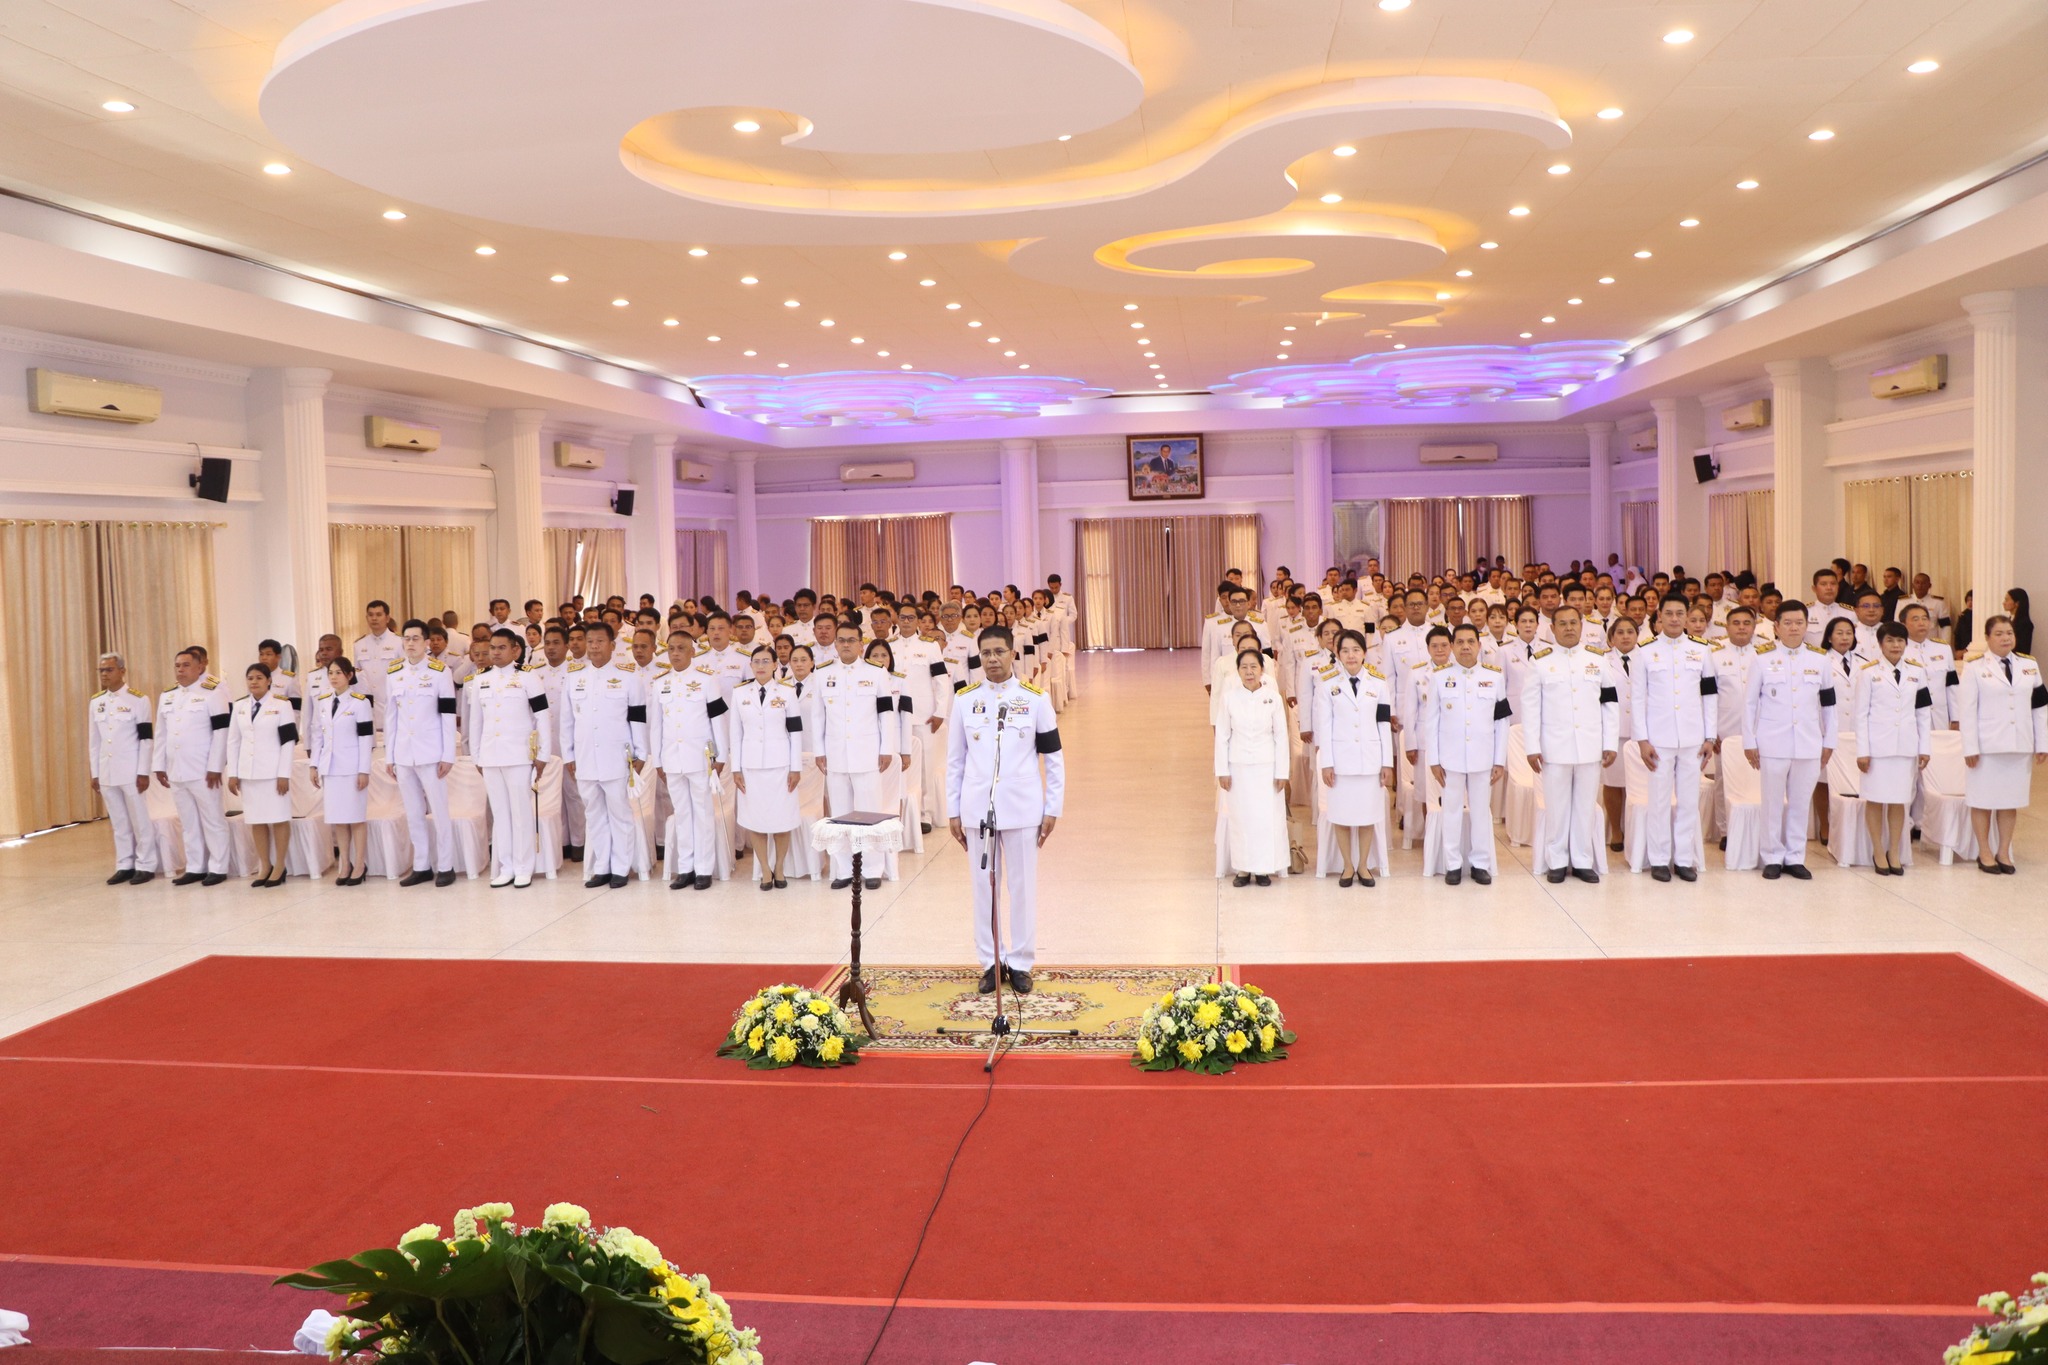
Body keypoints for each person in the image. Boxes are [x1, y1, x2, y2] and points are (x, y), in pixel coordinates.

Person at [947, 625, 1064, 995]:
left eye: (999, 652)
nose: (992, 659)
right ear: (978, 657)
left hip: (1023, 808)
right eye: (986, 654)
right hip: (977, 809)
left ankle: (1022, 961)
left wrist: (1052, 807)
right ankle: (989, 962)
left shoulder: (1035, 699)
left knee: (1022, 886)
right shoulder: (965, 700)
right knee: (984, 888)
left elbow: (1054, 758)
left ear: (1013, 654)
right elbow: (955, 762)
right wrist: (953, 810)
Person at [1521, 606, 1619, 884]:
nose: (1568, 628)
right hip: (1554, 747)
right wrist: (1532, 746)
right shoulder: (1540, 662)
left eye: (1573, 623)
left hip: (1590, 745)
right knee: (1557, 807)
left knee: (1585, 806)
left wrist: (1610, 742)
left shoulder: (1597, 660)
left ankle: (1582, 860)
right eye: (1562, 624)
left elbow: (1610, 703)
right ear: (1551, 629)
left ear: (1581, 625)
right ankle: (1557, 860)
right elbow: (1530, 707)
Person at [1741, 602, 1836, 881]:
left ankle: (1795, 857)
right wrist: (1750, 741)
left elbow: (1828, 704)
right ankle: (1772, 856)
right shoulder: (1761, 658)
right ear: (1776, 627)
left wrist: (1828, 740)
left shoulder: (1819, 660)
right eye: (1788, 623)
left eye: (1799, 623)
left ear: (1807, 626)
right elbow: (1749, 704)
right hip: (1772, 741)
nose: (1794, 628)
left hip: (1808, 742)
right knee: (1772, 801)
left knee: (1800, 801)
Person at [813, 624, 911, 889]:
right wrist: (819, 751)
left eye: (851, 640)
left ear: (860, 645)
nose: (846, 645)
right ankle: (844, 869)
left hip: (867, 753)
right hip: (835, 754)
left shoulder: (876, 673)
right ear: (835, 644)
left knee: (869, 813)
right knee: (841, 814)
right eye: (841, 640)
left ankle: (872, 869)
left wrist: (886, 748)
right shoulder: (822, 674)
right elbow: (817, 715)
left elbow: (886, 713)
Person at [1630, 597, 1717, 882]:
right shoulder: (1644, 651)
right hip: (1659, 738)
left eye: (1681, 613)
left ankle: (1683, 859)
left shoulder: (1701, 651)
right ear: (1659, 617)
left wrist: (1710, 736)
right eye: (1669, 613)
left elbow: (1710, 695)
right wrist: (1642, 739)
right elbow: (1639, 698)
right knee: (1658, 801)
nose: (1675, 618)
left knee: (1689, 801)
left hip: (1693, 737)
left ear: (1688, 617)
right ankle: (1658, 859)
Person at [561, 620, 649, 890]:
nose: (594, 646)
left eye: (600, 641)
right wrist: (568, 756)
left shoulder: (629, 677)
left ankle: (621, 867)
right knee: (594, 813)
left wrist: (640, 753)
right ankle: (602, 867)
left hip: (617, 757)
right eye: (590, 642)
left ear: (613, 645)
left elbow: (638, 719)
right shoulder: (574, 677)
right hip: (585, 758)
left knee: (620, 812)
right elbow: (566, 722)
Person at [1957, 614, 2048, 873]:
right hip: (1987, 747)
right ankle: (1984, 851)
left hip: (2019, 745)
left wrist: (2042, 742)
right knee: (1983, 800)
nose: (2005, 638)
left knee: (2010, 801)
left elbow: (2040, 707)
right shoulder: (1975, 667)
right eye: (1998, 633)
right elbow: (1967, 710)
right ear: (1987, 638)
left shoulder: (2029, 665)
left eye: (2009, 633)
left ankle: (2004, 851)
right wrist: (1970, 747)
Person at [1422, 623, 1509, 885]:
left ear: (1479, 645)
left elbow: (1501, 722)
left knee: (1482, 811)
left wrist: (1499, 759)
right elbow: (1432, 722)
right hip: (1450, 758)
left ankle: (1480, 863)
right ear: (1451, 647)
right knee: (1451, 811)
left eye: (1471, 641)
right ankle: (1452, 864)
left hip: (1484, 757)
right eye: (1459, 642)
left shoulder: (1494, 677)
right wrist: (1434, 760)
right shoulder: (1438, 677)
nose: (1466, 647)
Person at [468, 628, 552, 888]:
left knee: (521, 812)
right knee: (501, 814)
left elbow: (542, 716)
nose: (495, 652)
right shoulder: (480, 679)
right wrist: (477, 757)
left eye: (501, 647)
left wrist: (543, 754)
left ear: (515, 650)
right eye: (492, 647)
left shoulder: (528, 677)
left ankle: (524, 866)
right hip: (491, 756)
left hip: (519, 755)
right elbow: (475, 722)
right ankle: (506, 866)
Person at [1311, 629, 1395, 887]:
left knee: (1368, 815)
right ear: (1337, 654)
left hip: (1370, 759)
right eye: (1345, 650)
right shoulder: (1327, 684)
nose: (1351, 655)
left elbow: (1383, 724)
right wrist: (1327, 762)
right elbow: (1323, 726)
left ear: (1364, 653)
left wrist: (1387, 762)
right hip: (1341, 761)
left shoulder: (1378, 684)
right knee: (1342, 815)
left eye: (1356, 650)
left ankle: (1363, 867)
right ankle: (1348, 866)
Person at [647, 629, 728, 891]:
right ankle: (686, 868)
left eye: (681, 648)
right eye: (671, 648)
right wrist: (657, 760)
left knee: (703, 812)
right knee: (681, 813)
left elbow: (718, 720)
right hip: (672, 759)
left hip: (700, 758)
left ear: (693, 652)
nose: (676, 653)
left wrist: (721, 755)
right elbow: (656, 726)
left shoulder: (707, 681)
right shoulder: (659, 682)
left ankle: (704, 868)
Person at [384, 620, 459, 888]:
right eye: (406, 638)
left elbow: (448, 715)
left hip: (432, 752)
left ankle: (446, 865)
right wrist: (389, 756)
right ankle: (421, 865)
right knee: (413, 812)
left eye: (416, 638)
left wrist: (448, 754)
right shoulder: (393, 672)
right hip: (404, 753)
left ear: (427, 642)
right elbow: (391, 716)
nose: (411, 643)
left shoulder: (440, 672)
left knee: (439, 811)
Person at [1853, 622, 1932, 876]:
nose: (1896, 645)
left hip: (1905, 747)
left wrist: (1924, 748)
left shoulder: (1917, 673)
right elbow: (1860, 715)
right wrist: (1862, 750)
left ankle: (1895, 851)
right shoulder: (1868, 673)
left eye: (1900, 641)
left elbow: (1923, 714)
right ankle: (1878, 850)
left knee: (1900, 801)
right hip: (1877, 748)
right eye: (1890, 640)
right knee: (1875, 800)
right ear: (1880, 644)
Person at [727, 645, 806, 889]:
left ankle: (779, 866)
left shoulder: (787, 692)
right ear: (750, 666)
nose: (760, 666)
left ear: (775, 665)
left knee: (782, 819)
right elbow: (735, 733)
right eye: (756, 662)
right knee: (756, 820)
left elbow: (795, 732)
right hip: (751, 767)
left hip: (781, 766)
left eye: (765, 661)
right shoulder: (740, 693)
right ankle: (764, 869)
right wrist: (736, 768)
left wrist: (795, 767)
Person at [153, 647, 231, 885]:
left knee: (212, 819)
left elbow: (222, 732)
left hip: (203, 769)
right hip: (177, 769)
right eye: (177, 665)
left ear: (200, 668)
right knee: (188, 821)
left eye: (186, 665)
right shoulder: (167, 696)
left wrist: (216, 766)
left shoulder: (212, 693)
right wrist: (159, 765)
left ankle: (218, 867)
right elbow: (161, 733)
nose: (181, 670)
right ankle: (196, 866)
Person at [1215, 648, 1290, 887]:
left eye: (1253, 667)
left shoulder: (1273, 698)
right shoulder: (1229, 698)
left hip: (1267, 767)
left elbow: (1281, 737)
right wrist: (1222, 770)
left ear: (1262, 670)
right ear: (1237, 671)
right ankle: (1243, 869)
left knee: (1265, 818)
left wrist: (1282, 772)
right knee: (1241, 818)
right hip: (1238, 766)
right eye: (1244, 667)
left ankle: (1263, 869)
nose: (1249, 672)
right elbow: (1222, 736)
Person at [88, 652, 158, 886]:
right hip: (108, 771)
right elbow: (94, 741)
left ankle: (146, 864)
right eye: (101, 671)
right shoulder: (96, 702)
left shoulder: (138, 700)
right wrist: (95, 773)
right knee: (118, 821)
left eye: (109, 670)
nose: (104, 674)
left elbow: (146, 739)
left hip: (131, 770)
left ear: (122, 671)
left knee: (139, 819)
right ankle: (124, 864)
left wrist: (143, 771)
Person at [226, 662, 297, 887]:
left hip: (274, 773)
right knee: (256, 820)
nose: (254, 682)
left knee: (278, 819)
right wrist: (233, 773)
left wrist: (284, 773)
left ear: (268, 681)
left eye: (258, 678)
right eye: (250, 678)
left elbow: (288, 742)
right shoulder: (239, 707)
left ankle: (280, 866)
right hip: (249, 773)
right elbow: (233, 741)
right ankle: (264, 864)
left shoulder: (281, 706)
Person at [309, 657, 373, 885]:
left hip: (352, 768)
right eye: (331, 673)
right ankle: (345, 863)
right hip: (330, 768)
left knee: (355, 818)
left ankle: (360, 862)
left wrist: (364, 770)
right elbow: (317, 735)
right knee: (338, 819)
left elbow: (366, 739)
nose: (334, 677)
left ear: (349, 675)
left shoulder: (360, 702)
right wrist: (314, 765)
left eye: (338, 672)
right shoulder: (323, 701)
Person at [352, 600, 404, 725]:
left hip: (392, 706)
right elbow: (358, 677)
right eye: (370, 615)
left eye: (378, 614)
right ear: (366, 618)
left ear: (387, 618)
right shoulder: (359, 645)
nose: (374, 618)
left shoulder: (399, 642)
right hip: (367, 709)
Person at [2005, 588, 2033, 657]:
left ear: (2017, 603)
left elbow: (2023, 649)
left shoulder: (2024, 624)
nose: (2004, 603)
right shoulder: (2008, 620)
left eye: (2007, 600)